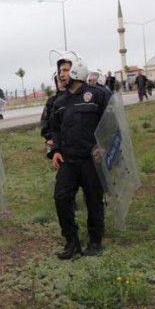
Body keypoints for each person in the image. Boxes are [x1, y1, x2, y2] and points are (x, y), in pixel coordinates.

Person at [50, 52, 111, 259]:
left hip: (91, 160)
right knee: (61, 198)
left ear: (77, 69)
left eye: (65, 70)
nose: (62, 75)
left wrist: (105, 146)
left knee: (94, 200)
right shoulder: (60, 101)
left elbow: (111, 123)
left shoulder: (97, 95)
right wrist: (56, 150)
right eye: (60, 71)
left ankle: (95, 241)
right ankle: (71, 242)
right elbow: (55, 130)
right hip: (68, 160)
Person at [40, 73, 65, 159]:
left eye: (62, 80)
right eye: (58, 81)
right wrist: (49, 137)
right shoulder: (52, 101)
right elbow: (45, 121)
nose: (61, 83)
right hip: (56, 141)